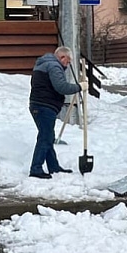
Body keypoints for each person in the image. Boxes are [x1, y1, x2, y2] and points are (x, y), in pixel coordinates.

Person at [28, 46, 86, 179]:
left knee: (47, 136)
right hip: (45, 106)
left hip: (39, 105)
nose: (68, 64)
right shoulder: (54, 66)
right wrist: (79, 87)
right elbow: (61, 87)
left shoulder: (44, 64)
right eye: (68, 60)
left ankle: (53, 167)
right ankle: (36, 169)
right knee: (45, 137)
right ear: (62, 57)